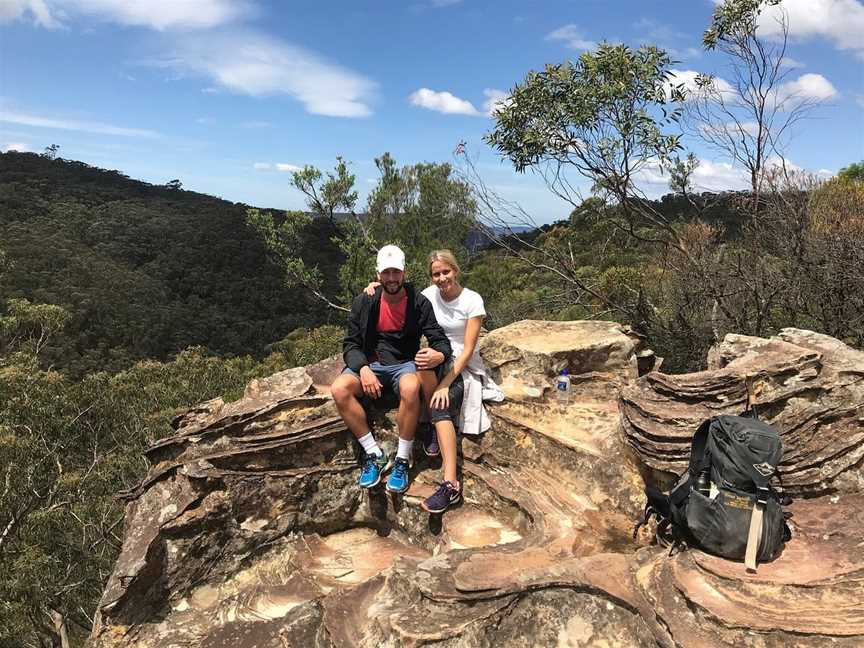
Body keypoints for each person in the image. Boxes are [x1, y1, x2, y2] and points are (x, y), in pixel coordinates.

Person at [366, 249, 500, 514]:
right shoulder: (427, 296)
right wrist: (374, 286)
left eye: (446, 272)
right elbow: (395, 289)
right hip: (434, 362)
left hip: (460, 367)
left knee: (441, 405)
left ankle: (451, 484)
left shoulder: (472, 301)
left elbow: (468, 350)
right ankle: (430, 424)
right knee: (421, 361)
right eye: (436, 274)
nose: (441, 278)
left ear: (455, 270)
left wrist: (444, 385)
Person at [331, 244, 452, 494]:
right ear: (378, 275)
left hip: (403, 363)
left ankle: (402, 459)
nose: (391, 278)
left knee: (410, 386)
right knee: (339, 389)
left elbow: (439, 339)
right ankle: (374, 454)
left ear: (404, 272)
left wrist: (439, 354)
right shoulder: (365, 301)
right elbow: (351, 344)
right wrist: (362, 368)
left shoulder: (418, 303)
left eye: (396, 272)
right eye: (386, 273)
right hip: (371, 363)